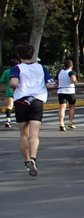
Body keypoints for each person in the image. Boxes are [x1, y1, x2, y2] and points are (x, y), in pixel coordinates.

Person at [8, 43, 54, 176]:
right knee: (34, 134)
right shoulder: (41, 68)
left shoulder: (16, 68)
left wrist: (13, 86)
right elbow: (49, 84)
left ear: (18, 56)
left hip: (21, 101)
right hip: (37, 101)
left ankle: (27, 160)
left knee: (23, 134)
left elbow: (14, 83)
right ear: (32, 55)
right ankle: (33, 158)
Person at [56, 59, 78, 130]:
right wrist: (75, 81)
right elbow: (73, 79)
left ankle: (61, 123)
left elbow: (56, 81)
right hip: (70, 91)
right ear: (71, 65)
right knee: (71, 106)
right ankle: (70, 122)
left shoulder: (60, 72)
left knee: (62, 107)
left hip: (61, 90)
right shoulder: (72, 72)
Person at [1, 56, 19, 129]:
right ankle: (19, 120)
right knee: (18, 106)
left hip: (9, 90)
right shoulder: (19, 70)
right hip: (18, 91)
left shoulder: (6, 71)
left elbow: (2, 80)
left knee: (9, 106)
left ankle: (8, 120)